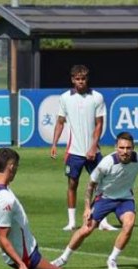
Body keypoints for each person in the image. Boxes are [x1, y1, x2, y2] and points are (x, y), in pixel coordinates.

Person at [52, 132, 138, 269]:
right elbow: (91, 185)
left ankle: (112, 259)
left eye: (128, 148)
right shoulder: (106, 163)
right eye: (121, 148)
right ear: (116, 147)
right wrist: (87, 208)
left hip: (125, 199)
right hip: (104, 198)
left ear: (133, 147)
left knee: (128, 225)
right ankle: (63, 258)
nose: (125, 151)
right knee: (86, 229)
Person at [50, 64, 117, 232]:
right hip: (74, 152)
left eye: (83, 79)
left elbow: (99, 125)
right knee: (72, 184)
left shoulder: (97, 97)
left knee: (101, 185)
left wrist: (93, 147)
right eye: (77, 79)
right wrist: (54, 144)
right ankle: (72, 222)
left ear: (87, 79)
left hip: (94, 151)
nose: (81, 82)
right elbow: (60, 122)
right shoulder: (65, 98)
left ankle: (102, 221)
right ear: (73, 80)